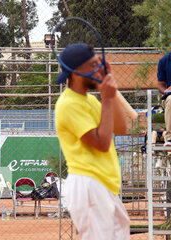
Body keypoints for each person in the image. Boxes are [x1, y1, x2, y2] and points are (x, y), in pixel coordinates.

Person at [54, 43, 130, 240]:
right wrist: (106, 99)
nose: (100, 67)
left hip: (102, 184)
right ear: (77, 73)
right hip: (88, 184)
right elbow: (102, 143)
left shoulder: (89, 100)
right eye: (93, 64)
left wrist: (108, 94)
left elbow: (121, 128)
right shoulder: (68, 104)